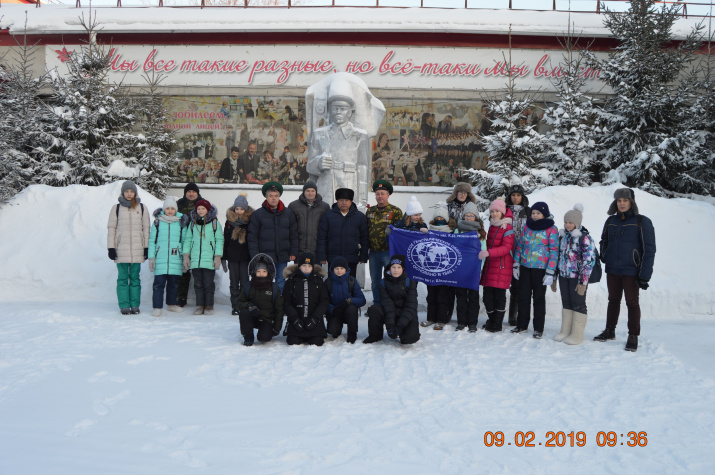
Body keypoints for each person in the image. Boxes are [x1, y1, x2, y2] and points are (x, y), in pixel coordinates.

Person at [595, 188, 656, 352]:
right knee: (613, 300)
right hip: (613, 269)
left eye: (625, 200)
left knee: (632, 303)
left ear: (631, 202)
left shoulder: (642, 221)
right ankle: (609, 330)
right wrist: (604, 255)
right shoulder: (610, 221)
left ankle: (633, 335)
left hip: (631, 270)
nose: (621, 203)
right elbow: (604, 241)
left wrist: (644, 275)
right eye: (619, 200)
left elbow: (649, 250)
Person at [511, 201, 558, 339]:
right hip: (525, 267)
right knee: (523, 297)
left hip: (541, 269)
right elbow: (520, 245)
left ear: (544, 214)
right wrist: (516, 264)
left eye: (538, 213)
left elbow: (554, 250)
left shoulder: (551, 228)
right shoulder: (528, 226)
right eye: (533, 213)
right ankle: (522, 325)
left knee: (538, 298)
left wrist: (550, 271)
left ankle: (538, 328)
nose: (535, 216)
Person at [554, 203, 596, 345]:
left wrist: (583, 282)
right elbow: (559, 256)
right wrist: (555, 276)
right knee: (566, 302)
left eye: (570, 222)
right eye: (565, 222)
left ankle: (577, 334)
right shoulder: (563, 237)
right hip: (564, 276)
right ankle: (566, 330)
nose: (567, 225)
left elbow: (588, 261)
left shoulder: (584, 238)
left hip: (577, 278)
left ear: (577, 223)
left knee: (578, 303)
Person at [107, 180, 150, 315]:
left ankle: (135, 305)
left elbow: (146, 228)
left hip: (137, 249)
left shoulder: (142, 208)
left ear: (135, 193)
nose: (129, 194)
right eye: (127, 191)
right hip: (121, 250)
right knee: (123, 278)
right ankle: (124, 305)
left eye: (132, 192)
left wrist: (146, 247)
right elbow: (111, 229)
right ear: (123, 193)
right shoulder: (116, 208)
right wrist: (111, 248)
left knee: (135, 278)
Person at [247, 181, 298, 292]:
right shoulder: (258, 214)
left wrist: (293, 252)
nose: (273, 198)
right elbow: (252, 237)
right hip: (264, 256)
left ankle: (279, 305)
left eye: (276, 196)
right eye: (271, 196)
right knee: (265, 281)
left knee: (280, 280)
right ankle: (266, 306)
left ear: (279, 197)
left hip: (282, 255)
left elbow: (293, 234)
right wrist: (255, 256)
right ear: (266, 197)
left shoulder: (288, 213)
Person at [363, 255, 420, 345]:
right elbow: (387, 304)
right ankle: (375, 335)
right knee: (375, 309)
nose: (396, 270)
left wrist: (400, 326)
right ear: (390, 268)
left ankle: (401, 332)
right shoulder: (383, 282)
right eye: (393, 267)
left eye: (399, 267)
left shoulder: (410, 282)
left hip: (405, 313)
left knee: (410, 339)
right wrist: (390, 326)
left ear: (403, 268)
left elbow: (411, 306)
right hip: (389, 312)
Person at [183, 199, 224, 316]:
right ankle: (200, 305)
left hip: (209, 259)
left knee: (208, 284)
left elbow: (219, 240)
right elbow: (188, 239)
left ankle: (209, 305)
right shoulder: (192, 223)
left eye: (203, 208)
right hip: (195, 259)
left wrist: (217, 256)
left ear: (208, 210)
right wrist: (186, 255)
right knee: (198, 284)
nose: (201, 211)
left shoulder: (215, 223)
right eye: (199, 208)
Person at [365, 180, 403, 305]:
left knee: (390, 279)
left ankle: (390, 305)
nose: (379, 196)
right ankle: (377, 304)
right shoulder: (370, 211)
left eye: (382, 193)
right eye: (377, 194)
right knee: (375, 281)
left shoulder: (395, 211)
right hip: (374, 252)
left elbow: (400, 232)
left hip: (388, 252)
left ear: (388, 195)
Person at [148, 196, 187, 317]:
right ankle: (157, 307)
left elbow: (185, 241)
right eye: (167, 208)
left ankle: (171, 305)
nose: (170, 211)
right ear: (164, 209)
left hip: (175, 257)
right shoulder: (158, 222)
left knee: (173, 283)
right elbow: (152, 241)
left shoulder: (181, 223)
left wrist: (185, 257)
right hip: (161, 257)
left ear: (176, 209)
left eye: (172, 208)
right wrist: (151, 257)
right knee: (158, 284)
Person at [479, 199, 515, 333]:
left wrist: (488, 252)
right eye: (492, 211)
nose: (494, 214)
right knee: (487, 297)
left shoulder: (508, 227)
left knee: (499, 296)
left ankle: (497, 323)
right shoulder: (492, 226)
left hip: (502, 267)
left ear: (503, 212)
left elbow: (506, 248)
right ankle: (492, 319)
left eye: (497, 211)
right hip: (490, 266)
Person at [317, 187, 369, 276]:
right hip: (333, 257)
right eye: (341, 200)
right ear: (337, 201)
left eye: (347, 200)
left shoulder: (360, 217)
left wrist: (363, 256)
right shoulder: (328, 215)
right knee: (333, 283)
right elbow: (322, 237)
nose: (344, 203)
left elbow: (364, 237)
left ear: (351, 201)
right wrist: (322, 256)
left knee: (350, 283)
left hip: (352, 257)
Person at [452, 201, 486, 331]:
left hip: (473, 270)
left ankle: (472, 322)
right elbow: (453, 247)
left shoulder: (481, 232)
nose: (469, 218)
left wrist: (480, 267)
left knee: (473, 297)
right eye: (467, 215)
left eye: (471, 216)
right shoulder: (458, 230)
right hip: (460, 269)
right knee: (460, 296)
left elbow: (483, 250)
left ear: (476, 217)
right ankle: (462, 321)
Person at [237, 253, 284, 347]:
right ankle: (248, 336)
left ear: (268, 272)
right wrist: (250, 306)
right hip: (252, 316)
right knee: (244, 312)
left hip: (267, 319)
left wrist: (277, 328)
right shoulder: (248, 286)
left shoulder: (274, 288)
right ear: (255, 272)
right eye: (258, 271)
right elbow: (239, 303)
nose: (261, 274)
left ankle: (265, 331)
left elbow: (279, 309)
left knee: (264, 338)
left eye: (264, 271)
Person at [283, 253, 329, 346]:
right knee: (293, 342)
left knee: (317, 342)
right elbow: (286, 302)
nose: (306, 268)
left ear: (313, 267)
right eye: (304, 265)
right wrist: (294, 319)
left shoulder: (319, 281)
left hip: (314, 321)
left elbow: (324, 302)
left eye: (309, 266)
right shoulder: (291, 281)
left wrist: (315, 319)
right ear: (299, 267)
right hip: (296, 320)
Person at [422, 207, 457, 331]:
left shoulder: (452, 232)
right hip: (431, 267)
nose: (439, 219)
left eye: (442, 217)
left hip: (445, 268)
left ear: (446, 219)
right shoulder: (429, 230)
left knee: (443, 295)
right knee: (431, 294)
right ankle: (431, 317)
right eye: (437, 217)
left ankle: (442, 319)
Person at [223, 193, 254, 315]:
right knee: (234, 282)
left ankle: (243, 304)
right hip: (233, 257)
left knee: (245, 282)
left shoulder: (251, 221)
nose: (239, 211)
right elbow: (225, 240)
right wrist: (224, 258)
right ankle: (235, 306)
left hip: (246, 257)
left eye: (242, 209)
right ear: (234, 209)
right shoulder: (229, 222)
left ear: (245, 209)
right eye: (237, 209)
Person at [505, 184, 531, 326]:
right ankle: (504, 313)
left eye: (518, 195)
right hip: (507, 248)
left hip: (523, 250)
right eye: (513, 195)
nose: (515, 198)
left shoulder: (528, 211)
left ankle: (515, 315)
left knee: (519, 283)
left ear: (522, 197)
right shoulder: (504, 210)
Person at [325, 256, 367, 344]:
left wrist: (349, 301)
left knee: (352, 308)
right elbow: (324, 301)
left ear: (346, 269)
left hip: (349, 312)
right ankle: (337, 328)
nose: (339, 270)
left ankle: (352, 333)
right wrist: (332, 309)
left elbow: (362, 300)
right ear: (332, 269)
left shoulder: (352, 281)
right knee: (333, 331)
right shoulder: (328, 282)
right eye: (336, 268)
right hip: (335, 312)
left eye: (342, 268)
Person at [176, 183, 202, 307]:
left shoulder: (203, 204)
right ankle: (181, 297)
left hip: (198, 242)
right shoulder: (179, 205)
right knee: (183, 270)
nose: (191, 194)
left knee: (198, 271)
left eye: (194, 192)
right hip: (182, 240)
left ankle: (201, 299)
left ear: (197, 193)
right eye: (189, 192)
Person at [288, 181, 330, 258]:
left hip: (317, 249)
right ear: (304, 192)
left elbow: (327, 229)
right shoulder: (293, 206)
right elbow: (290, 228)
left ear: (316, 192)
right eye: (308, 191)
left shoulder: (324, 207)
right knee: (299, 270)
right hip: (300, 249)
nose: (310, 193)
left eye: (312, 191)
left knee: (316, 270)